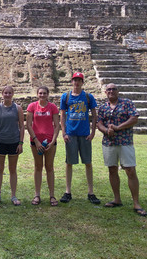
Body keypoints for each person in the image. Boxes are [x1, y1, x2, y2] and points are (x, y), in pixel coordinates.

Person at [96, 83, 147, 217]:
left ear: (118, 91)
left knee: (130, 170)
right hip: (109, 142)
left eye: (114, 89)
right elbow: (99, 123)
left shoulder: (127, 103)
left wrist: (119, 127)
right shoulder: (102, 107)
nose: (111, 91)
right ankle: (117, 199)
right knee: (112, 169)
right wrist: (106, 130)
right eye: (109, 89)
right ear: (105, 92)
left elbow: (134, 118)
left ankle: (136, 202)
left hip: (125, 141)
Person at [59, 72, 100, 204]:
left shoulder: (88, 97)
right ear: (71, 82)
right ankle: (68, 191)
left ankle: (91, 192)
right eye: (75, 80)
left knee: (88, 162)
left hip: (84, 134)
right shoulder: (66, 97)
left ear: (82, 82)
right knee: (69, 162)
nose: (76, 82)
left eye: (79, 80)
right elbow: (62, 116)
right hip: (71, 133)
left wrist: (93, 132)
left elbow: (94, 115)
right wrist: (64, 132)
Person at [0, 86, 25, 206]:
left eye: (9, 93)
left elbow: (22, 126)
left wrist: (21, 143)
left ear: (13, 94)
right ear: (2, 94)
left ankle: (13, 195)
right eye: (5, 93)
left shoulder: (18, 108)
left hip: (14, 142)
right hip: (0, 142)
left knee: (12, 169)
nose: (7, 95)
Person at [26, 86, 60, 206]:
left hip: (50, 142)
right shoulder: (32, 106)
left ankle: (52, 195)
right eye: (40, 93)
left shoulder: (53, 107)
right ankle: (37, 195)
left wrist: (53, 141)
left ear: (48, 94)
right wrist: (36, 141)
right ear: (37, 94)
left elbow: (57, 126)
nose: (42, 95)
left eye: (44, 93)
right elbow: (29, 125)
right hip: (36, 141)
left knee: (49, 167)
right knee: (38, 167)